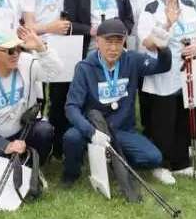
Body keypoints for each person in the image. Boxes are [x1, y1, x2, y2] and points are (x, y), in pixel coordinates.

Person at [62, 18, 173, 186]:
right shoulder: (84, 67)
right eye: (108, 42)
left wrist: (163, 49)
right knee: (72, 137)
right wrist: (90, 131)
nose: (113, 48)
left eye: (118, 42)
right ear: (97, 41)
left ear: (124, 42)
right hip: (95, 128)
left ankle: (115, 160)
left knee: (154, 157)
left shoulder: (132, 60)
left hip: (121, 130)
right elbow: (71, 107)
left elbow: (162, 66)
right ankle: (71, 174)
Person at [57, 0, 135, 157]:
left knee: (110, 96)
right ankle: (78, 142)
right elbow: (68, 24)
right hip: (86, 48)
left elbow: (128, 19)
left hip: (114, 50)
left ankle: (112, 139)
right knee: (81, 98)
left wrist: (119, 35)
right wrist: (91, 31)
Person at [136, 0, 196, 184]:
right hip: (161, 75)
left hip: (186, 73)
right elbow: (147, 42)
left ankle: (180, 163)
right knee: (162, 121)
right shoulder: (150, 8)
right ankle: (160, 165)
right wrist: (167, 23)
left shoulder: (188, 5)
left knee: (182, 119)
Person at [0, 28, 63, 173]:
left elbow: (56, 72)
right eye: (10, 50)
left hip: (24, 131)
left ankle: (31, 168)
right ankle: (13, 163)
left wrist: (41, 47)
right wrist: (5, 145)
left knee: (44, 130)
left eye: (18, 48)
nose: (16, 54)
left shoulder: (27, 63)